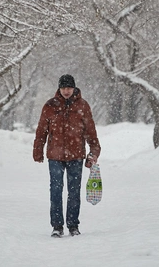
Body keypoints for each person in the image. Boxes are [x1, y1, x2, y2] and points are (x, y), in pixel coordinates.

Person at [33, 74, 101, 238]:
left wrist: (93, 152)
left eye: (69, 88)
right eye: (63, 88)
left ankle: (73, 225)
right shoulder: (50, 105)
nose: (66, 91)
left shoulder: (83, 106)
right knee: (56, 190)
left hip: (76, 155)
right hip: (55, 156)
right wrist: (38, 150)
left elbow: (91, 132)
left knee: (74, 191)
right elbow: (42, 130)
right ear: (59, 88)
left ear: (74, 88)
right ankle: (57, 226)